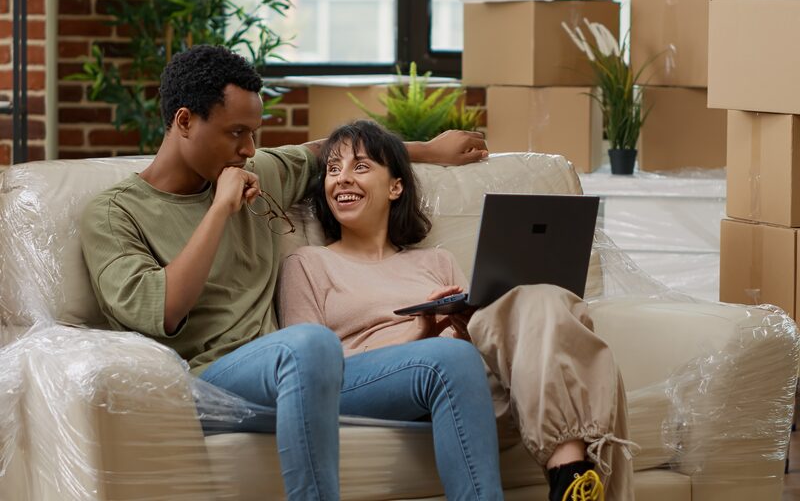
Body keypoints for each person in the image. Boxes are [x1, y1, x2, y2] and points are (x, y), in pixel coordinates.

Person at [80, 45, 502, 501]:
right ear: (185, 121)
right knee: (310, 343)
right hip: (208, 387)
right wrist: (220, 209)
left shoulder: (256, 170)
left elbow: (321, 152)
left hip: (303, 380)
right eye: (236, 133)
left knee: (453, 360)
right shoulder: (114, 214)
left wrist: (428, 150)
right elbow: (165, 310)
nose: (249, 149)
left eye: (254, 133)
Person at [278, 120, 637, 501]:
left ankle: (570, 477)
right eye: (333, 169)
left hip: (460, 384)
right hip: (368, 384)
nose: (342, 179)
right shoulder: (308, 263)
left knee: (547, 302)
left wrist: (465, 330)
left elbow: (470, 355)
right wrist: (418, 338)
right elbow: (306, 369)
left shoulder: (437, 261)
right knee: (451, 356)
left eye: (361, 166)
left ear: (396, 186)